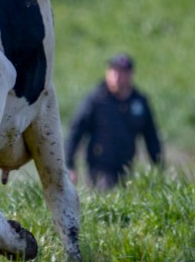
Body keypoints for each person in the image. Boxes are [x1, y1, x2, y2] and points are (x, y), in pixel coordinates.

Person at [65, 53, 162, 190]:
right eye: (113, 72)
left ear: (130, 74)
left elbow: (151, 137)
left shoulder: (139, 102)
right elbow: (75, 132)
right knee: (106, 194)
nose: (117, 77)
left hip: (126, 167)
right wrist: (69, 165)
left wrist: (158, 167)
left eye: (121, 73)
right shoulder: (96, 100)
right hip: (100, 167)